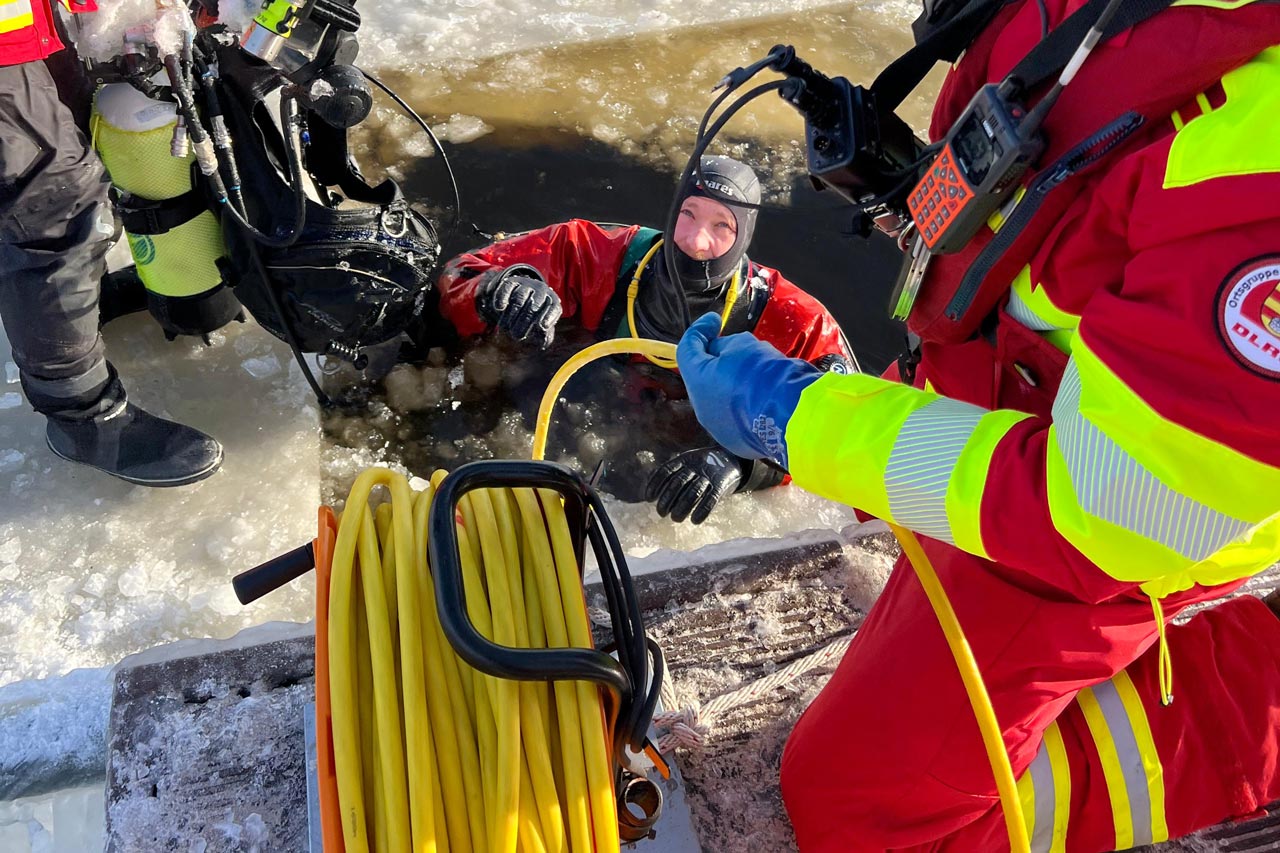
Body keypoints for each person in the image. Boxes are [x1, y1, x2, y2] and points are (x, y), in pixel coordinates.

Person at [674, 1, 1280, 850]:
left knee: (861, 810)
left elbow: (1107, 507)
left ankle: (1253, 704)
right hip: (1025, 407)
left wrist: (797, 419)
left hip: (1112, 504)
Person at [436, 155, 856, 524]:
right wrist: (506, 287)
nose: (695, 241)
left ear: (744, 235)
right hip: (580, 408)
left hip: (683, 456)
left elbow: (843, 432)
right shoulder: (594, 252)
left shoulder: (795, 321)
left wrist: (741, 464)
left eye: (721, 226)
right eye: (688, 214)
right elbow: (462, 274)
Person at [0, 0, 223, 487]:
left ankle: (83, 305)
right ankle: (82, 417)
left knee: (85, 133)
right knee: (49, 209)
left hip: (22, 24)